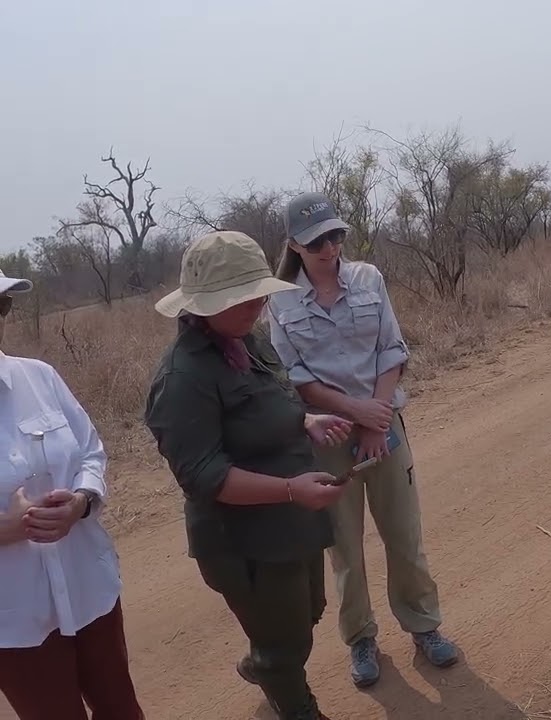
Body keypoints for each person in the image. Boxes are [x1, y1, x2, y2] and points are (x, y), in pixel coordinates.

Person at [144, 230, 356, 720]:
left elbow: (270, 406)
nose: (255, 306)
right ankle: (293, 700)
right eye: (239, 299)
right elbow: (205, 476)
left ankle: (264, 661)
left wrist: (305, 420)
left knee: (308, 612)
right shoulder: (183, 378)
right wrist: (288, 489)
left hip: (292, 521)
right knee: (285, 645)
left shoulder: (248, 340)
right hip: (244, 540)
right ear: (199, 307)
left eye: (257, 294)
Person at [264, 191, 459, 689]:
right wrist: (354, 412)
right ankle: (361, 638)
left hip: (384, 425)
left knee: (403, 534)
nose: (329, 249)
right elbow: (296, 377)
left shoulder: (368, 279)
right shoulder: (279, 299)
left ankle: (424, 626)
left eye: (335, 236)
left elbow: (392, 349)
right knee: (344, 547)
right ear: (294, 246)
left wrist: (378, 419)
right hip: (328, 434)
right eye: (316, 243)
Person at [0, 270, 146, 718]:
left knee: (121, 709)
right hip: (15, 617)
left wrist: (82, 502)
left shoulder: (39, 377)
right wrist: (7, 529)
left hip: (88, 587)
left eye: (0, 306)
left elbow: (91, 451)